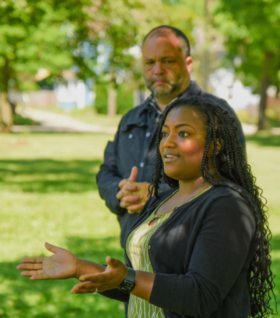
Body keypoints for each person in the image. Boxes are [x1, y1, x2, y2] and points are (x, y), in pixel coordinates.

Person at [17, 96, 274, 318]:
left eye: (183, 133)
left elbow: (200, 296)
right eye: (165, 133)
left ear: (214, 146)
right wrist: (81, 268)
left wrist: (127, 278)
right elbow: (143, 285)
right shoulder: (161, 201)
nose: (167, 143)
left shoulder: (226, 205)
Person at [96, 25, 246, 250]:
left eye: (167, 61)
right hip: (136, 256)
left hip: (191, 255)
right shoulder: (130, 119)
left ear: (187, 64)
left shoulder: (216, 114)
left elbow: (230, 184)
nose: (157, 70)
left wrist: (156, 197)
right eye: (149, 62)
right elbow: (106, 172)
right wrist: (121, 192)